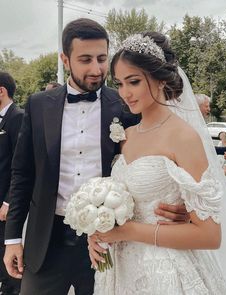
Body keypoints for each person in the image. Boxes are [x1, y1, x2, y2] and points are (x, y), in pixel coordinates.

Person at [3, 19, 186, 295]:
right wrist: (13, 238)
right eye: (85, 59)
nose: (96, 69)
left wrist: (180, 205)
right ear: (65, 59)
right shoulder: (38, 105)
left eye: (102, 58)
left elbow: (157, 160)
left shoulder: (126, 105)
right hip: (46, 240)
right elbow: (23, 174)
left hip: (109, 241)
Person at [88, 33, 226, 294]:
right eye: (120, 84)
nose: (125, 93)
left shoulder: (184, 137)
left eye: (133, 82)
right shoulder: (127, 136)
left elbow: (210, 236)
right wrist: (98, 232)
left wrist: (130, 231)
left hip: (165, 273)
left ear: (161, 78)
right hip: (119, 272)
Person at [0, 71, 23, 295]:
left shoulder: (18, 118)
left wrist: (8, 201)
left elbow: (21, 164)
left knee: (9, 255)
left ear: (1, 91)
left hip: (7, 204)